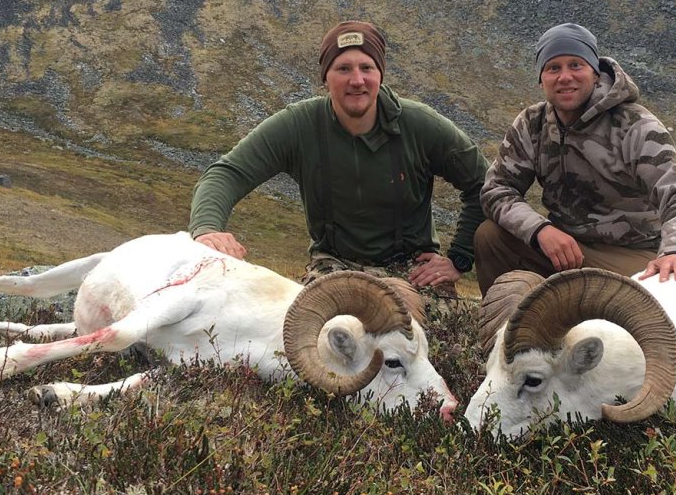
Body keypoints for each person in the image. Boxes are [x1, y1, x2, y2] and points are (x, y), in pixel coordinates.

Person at [190, 20, 489, 293]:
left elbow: (483, 184)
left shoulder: (419, 124)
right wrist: (207, 230)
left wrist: (458, 259)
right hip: (332, 266)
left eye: (367, 68)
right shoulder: (299, 125)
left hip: (414, 269)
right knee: (312, 334)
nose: (357, 80)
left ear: (380, 74)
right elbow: (227, 173)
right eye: (343, 69)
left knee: (420, 336)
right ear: (326, 78)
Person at [475, 22, 676, 296]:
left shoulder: (633, 124)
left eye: (576, 65)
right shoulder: (532, 123)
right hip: (567, 246)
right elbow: (497, 189)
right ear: (541, 79)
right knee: (490, 237)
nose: (565, 77)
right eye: (553, 68)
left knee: (644, 297)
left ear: (595, 74)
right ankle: (507, 331)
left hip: (630, 254)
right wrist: (540, 230)